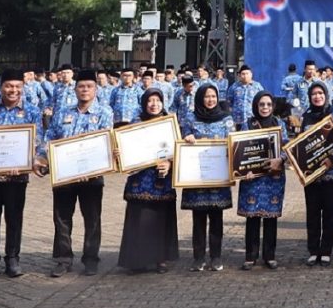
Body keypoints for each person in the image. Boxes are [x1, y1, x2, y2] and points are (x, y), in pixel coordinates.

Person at [37, 69, 114, 277]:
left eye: (89, 86)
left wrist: (93, 168)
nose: (85, 90)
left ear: (95, 89)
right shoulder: (63, 112)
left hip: (93, 176)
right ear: (75, 89)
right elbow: (50, 137)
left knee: (92, 218)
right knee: (62, 218)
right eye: (81, 86)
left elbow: (107, 143)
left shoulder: (104, 113)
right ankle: (63, 259)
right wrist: (42, 158)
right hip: (64, 175)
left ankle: (91, 259)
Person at [0, 69, 43, 280]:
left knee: (14, 219)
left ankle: (12, 259)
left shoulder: (32, 111)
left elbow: (37, 140)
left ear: (23, 87)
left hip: (16, 177)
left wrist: (28, 161)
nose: (13, 90)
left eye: (17, 86)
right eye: (9, 86)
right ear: (1, 87)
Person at [117, 88, 179, 273]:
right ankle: (137, 261)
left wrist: (170, 163)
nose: (154, 104)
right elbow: (126, 150)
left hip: (161, 181)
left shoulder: (170, 123)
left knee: (160, 220)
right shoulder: (136, 124)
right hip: (139, 181)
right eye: (150, 101)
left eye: (158, 100)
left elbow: (179, 149)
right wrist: (120, 154)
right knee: (139, 220)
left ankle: (161, 259)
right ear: (144, 103)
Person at [181, 84, 235, 272]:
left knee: (216, 218)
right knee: (198, 219)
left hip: (218, 177)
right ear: (200, 98)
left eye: (213, 96)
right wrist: (187, 138)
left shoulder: (226, 119)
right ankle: (198, 258)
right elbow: (182, 139)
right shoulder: (190, 118)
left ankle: (216, 257)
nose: (210, 100)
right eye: (206, 96)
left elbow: (233, 143)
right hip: (196, 177)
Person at [301, 80, 333, 267]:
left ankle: (326, 250)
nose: (317, 97)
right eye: (314, 94)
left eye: (321, 93)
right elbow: (301, 144)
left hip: (332, 172)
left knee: (330, 212)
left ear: (327, 94)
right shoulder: (306, 115)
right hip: (312, 174)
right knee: (312, 213)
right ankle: (313, 250)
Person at [238, 91, 288, 270]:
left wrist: (281, 159)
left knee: (270, 218)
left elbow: (287, 147)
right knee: (252, 217)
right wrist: (244, 170)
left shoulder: (279, 124)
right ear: (255, 106)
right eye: (261, 104)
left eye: (268, 104)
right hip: (253, 178)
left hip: (273, 177)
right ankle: (250, 256)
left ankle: (269, 255)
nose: (265, 107)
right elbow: (240, 150)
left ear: (273, 106)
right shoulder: (248, 124)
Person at [228, 66, 264, 130]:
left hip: (252, 119)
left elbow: (262, 100)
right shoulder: (234, 86)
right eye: (243, 74)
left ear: (251, 74)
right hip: (237, 120)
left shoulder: (257, 86)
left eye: (247, 74)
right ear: (239, 75)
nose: (245, 76)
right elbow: (229, 101)